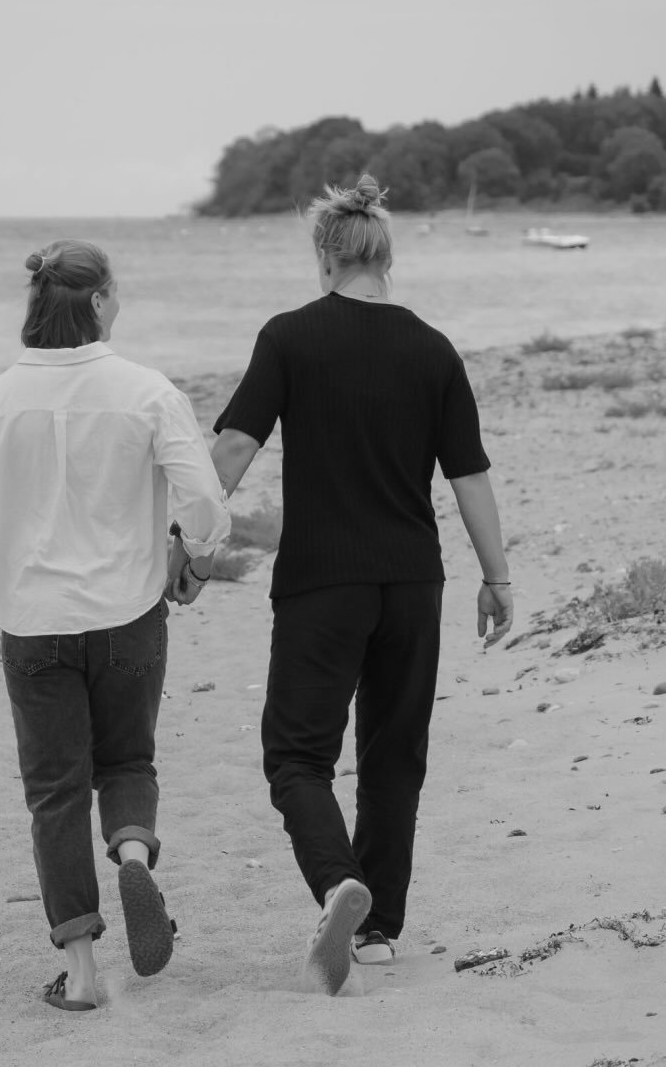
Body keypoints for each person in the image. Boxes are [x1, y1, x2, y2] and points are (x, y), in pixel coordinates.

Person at [209, 175, 513, 996]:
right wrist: (497, 577)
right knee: (393, 755)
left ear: (325, 258)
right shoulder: (433, 349)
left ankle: (339, 882)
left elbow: (234, 447)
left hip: (322, 583)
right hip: (413, 582)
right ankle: (377, 932)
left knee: (296, 757)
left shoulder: (290, 337)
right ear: (385, 260)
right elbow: (470, 475)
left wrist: (187, 541)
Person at [0, 239, 229, 1011]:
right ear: (98, 301)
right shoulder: (146, 390)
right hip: (127, 615)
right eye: (116, 291)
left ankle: (82, 972)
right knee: (127, 760)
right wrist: (195, 561)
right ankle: (132, 855)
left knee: (55, 791)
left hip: (34, 626)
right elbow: (204, 502)